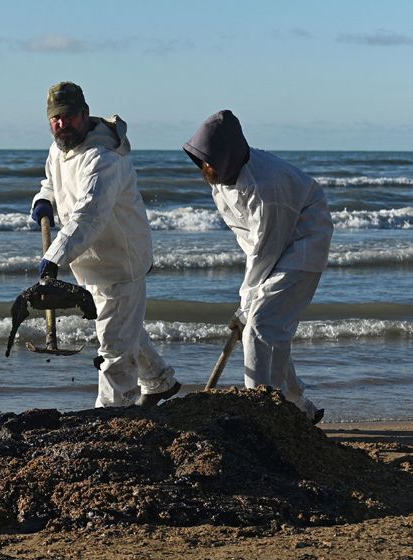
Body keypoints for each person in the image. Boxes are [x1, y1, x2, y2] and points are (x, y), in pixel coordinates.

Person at [30, 81, 180, 408]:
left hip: (120, 260)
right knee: (121, 325)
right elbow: (51, 184)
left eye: (68, 117)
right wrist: (44, 200)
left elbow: (90, 215)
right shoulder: (59, 149)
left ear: (85, 114)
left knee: (112, 344)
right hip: (90, 261)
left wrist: (54, 257)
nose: (61, 124)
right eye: (55, 118)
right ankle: (158, 381)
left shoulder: (104, 158)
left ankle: (113, 413)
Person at [183, 110, 333, 423]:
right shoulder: (222, 176)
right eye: (202, 159)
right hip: (273, 242)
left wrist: (246, 303)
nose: (205, 166)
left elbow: (267, 249)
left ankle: (263, 414)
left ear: (227, 155)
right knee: (271, 326)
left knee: (261, 326)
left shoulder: (266, 189)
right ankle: (297, 407)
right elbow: (253, 242)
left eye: (210, 159)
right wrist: (249, 299)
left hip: (304, 240)